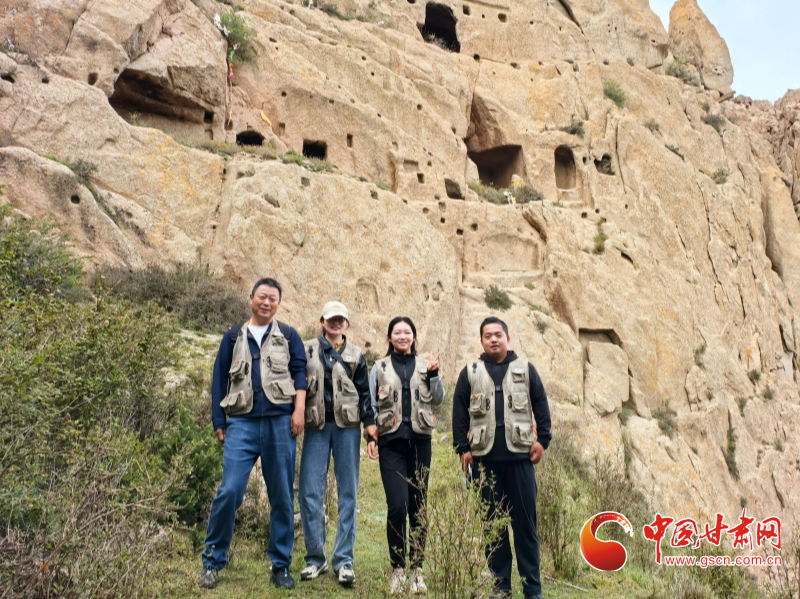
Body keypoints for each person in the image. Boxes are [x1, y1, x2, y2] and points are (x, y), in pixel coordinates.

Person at [199, 278, 307, 591]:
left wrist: (299, 411)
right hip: (241, 424)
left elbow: (300, 373)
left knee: (282, 496)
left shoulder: (289, 335)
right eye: (262, 296)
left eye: (272, 298)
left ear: (279, 303)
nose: (266, 302)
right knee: (229, 490)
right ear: (250, 299)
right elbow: (219, 379)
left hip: (280, 423)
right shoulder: (233, 336)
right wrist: (218, 420)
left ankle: (280, 565)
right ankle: (212, 561)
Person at [452, 317, 552, 599]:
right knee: (493, 527)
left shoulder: (526, 369)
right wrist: (463, 448)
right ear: (481, 340)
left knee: (525, 527)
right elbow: (459, 412)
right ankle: (501, 587)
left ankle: (532, 589)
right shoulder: (470, 372)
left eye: (498, 334)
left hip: (520, 461)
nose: (493, 339)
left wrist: (543, 440)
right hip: (484, 463)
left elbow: (540, 404)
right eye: (488, 336)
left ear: (508, 338)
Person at [298, 301, 376, 586]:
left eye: (340, 319)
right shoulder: (305, 349)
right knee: (309, 491)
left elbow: (365, 394)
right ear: (322, 321)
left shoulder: (356, 355)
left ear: (347, 324)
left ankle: (344, 560)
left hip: (348, 429)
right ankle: (315, 558)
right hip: (316, 427)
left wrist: (370, 428)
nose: (335, 323)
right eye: (331, 318)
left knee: (348, 493)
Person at [366, 317, 445, 595]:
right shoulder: (379, 367)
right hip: (391, 444)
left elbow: (438, 399)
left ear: (413, 337)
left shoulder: (426, 365)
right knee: (397, 505)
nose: (402, 336)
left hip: (420, 443)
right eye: (397, 332)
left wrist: (434, 375)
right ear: (389, 337)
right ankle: (398, 569)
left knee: (418, 506)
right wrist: (371, 436)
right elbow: (371, 404)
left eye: (407, 332)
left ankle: (417, 570)